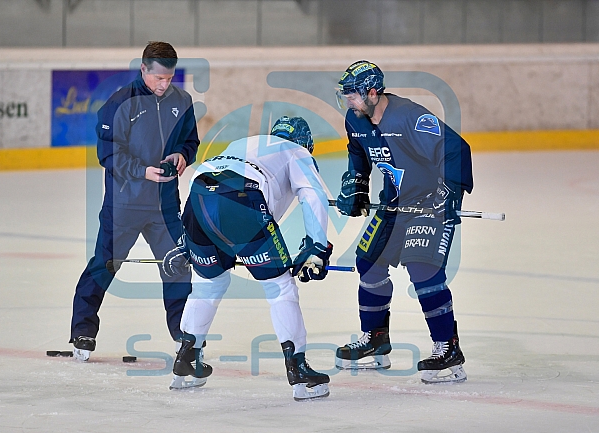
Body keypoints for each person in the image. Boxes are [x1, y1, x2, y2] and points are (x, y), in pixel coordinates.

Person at [162, 116, 333, 401]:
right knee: (279, 286)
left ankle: (185, 361)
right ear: (305, 143)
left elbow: (207, 183)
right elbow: (313, 195)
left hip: (199, 196)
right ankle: (298, 369)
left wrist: (186, 243)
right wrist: (316, 247)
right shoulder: (297, 151)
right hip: (243, 198)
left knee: (208, 284)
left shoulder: (244, 142)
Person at [334, 60, 473, 384]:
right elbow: (358, 153)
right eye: (345, 97)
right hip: (394, 203)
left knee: (423, 268)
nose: (348, 103)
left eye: (352, 96)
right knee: (368, 263)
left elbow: (455, 149)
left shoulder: (410, 116)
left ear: (373, 92)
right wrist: (356, 184)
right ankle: (376, 339)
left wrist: (451, 193)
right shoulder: (356, 119)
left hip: (430, 202)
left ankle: (448, 347)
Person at [69, 41, 199, 362]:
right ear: (143, 70)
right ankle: (83, 329)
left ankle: (183, 330)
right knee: (105, 264)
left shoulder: (182, 101)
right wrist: (143, 171)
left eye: (169, 78)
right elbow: (108, 154)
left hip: (165, 206)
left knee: (177, 266)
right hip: (124, 206)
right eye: (158, 78)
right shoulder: (118, 104)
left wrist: (182, 156)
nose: (164, 84)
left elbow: (190, 141)